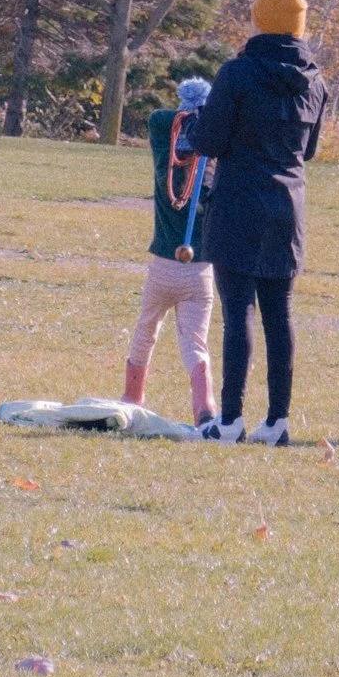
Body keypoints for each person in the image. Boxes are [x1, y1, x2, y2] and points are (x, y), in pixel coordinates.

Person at [188, 0, 330, 446]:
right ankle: (278, 422)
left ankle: (230, 421)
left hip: (237, 202)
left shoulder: (237, 73)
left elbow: (208, 141)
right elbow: (307, 149)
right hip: (288, 207)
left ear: (260, 20)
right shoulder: (316, 81)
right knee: (279, 314)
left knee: (237, 315)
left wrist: (195, 121)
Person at [123, 78, 218, 423]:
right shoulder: (216, 165)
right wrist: (209, 120)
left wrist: (187, 115)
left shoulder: (166, 153)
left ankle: (133, 396)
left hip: (163, 266)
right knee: (196, 345)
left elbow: (158, 118)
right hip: (201, 273)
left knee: (145, 331)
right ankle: (204, 407)